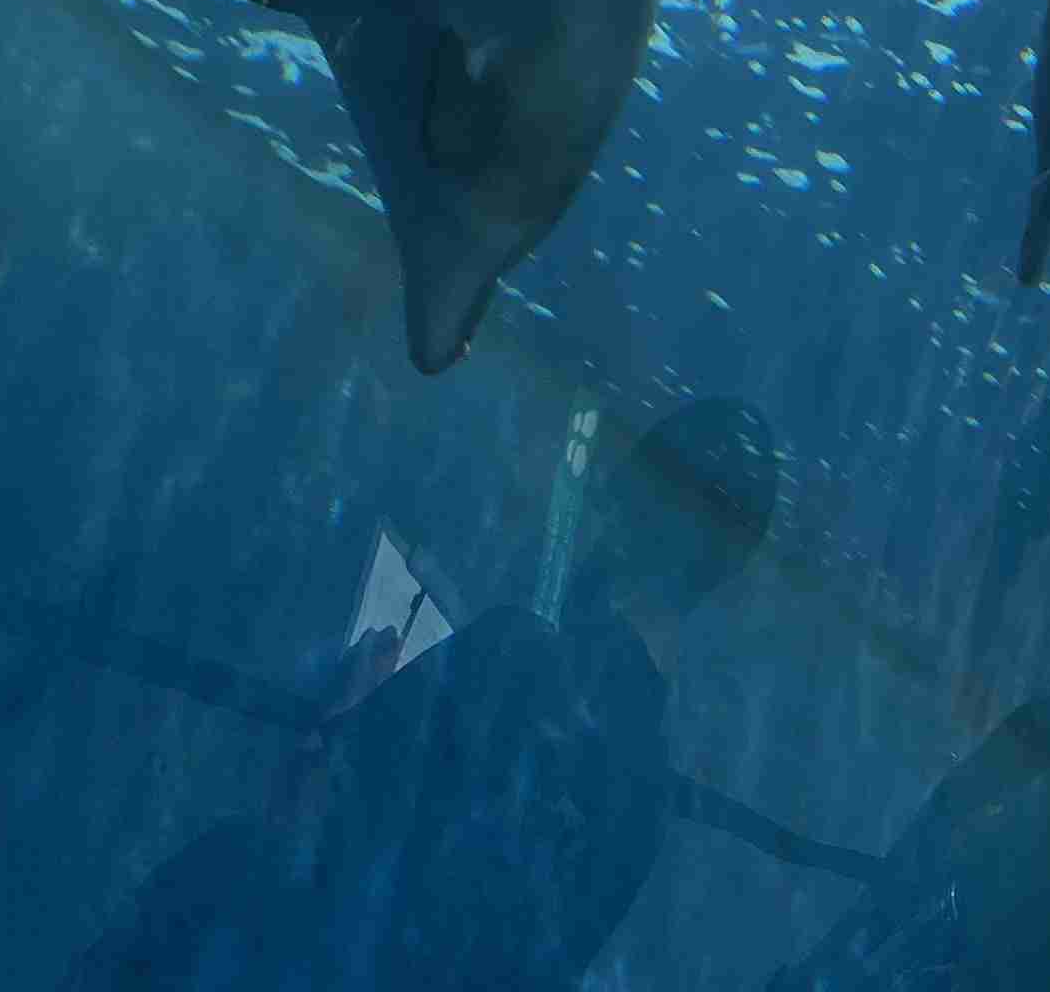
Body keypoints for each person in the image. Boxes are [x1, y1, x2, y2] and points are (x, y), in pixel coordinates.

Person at [67, 396, 783, 990]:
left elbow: (307, 810)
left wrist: (354, 699)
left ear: (628, 504)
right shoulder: (646, 805)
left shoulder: (515, 650)